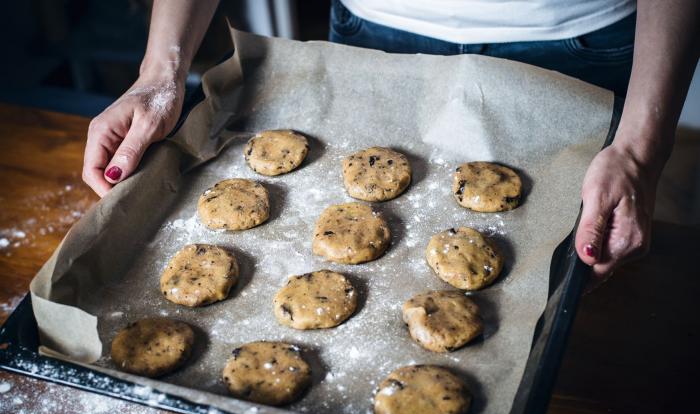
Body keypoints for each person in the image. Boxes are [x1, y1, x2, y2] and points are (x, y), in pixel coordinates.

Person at [82, 0, 699, 289]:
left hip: (574, 43)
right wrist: (159, 77)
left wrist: (641, 150)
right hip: (372, 33)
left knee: (567, 279)